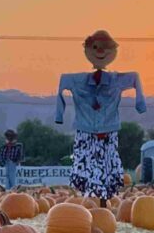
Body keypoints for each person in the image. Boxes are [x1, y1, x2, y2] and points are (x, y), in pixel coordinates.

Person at [54, 30, 147, 207]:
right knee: (86, 168)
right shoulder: (75, 80)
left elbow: (135, 77)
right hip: (85, 130)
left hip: (108, 131)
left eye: (105, 48)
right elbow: (61, 85)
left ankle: (102, 204)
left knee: (107, 169)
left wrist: (140, 104)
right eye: (96, 47)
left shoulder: (117, 79)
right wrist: (59, 115)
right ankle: (91, 203)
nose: (100, 51)